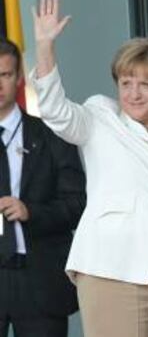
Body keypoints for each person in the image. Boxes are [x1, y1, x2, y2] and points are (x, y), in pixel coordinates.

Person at [30, 0, 148, 337]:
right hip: (112, 268)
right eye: (125, 83)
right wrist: (44, 47)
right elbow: (57, 112)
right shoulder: (101, 116)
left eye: (145, 84)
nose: (133, 94)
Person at [0, 37, 86, 337]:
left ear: (19, 78)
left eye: (5, 75)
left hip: (39, 281)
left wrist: (31, 212)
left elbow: (76, 203)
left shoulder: (51, 134)